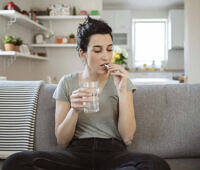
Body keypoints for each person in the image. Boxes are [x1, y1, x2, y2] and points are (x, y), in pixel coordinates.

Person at [2, 17, 171, 170]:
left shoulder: (121, 81)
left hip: (114, 153)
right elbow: (62, 140)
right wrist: (74, 110)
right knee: (15, 161)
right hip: (76, 153)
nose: (106, 57)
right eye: (97, 50)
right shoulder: (67, 82)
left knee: (157, 165)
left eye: (109, 49)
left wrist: (122, 91)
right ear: (82, 54)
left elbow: (127, 137)